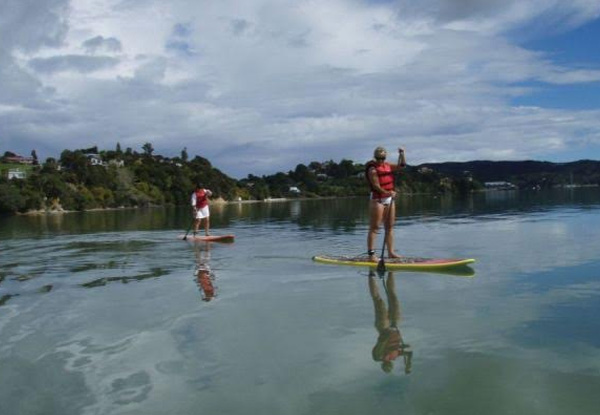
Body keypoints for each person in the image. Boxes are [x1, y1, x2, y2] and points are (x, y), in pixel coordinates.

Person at [365, 146, 406, 262]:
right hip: (378, 199)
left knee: (389, 227)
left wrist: (402, 154)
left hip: (388, 199)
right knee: (375, 228)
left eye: (383, 158)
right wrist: (389, 193)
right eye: (378, 158)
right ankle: (371, 255)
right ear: (375, 157)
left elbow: (401, 166)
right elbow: (376, 187)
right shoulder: (372, 169)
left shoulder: (387, 166)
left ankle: (391, 252)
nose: (380, 161)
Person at [369, 271, 412, 374]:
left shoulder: (378, 356)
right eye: (389, 363)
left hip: (384, 327)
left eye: (386, 363)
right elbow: (409, 352)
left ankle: (371, 273)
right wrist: (408, 365)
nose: (388, 361)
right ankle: (392, 271)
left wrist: (385, 355)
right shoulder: (395, 355)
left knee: (378, 300)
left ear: (384, 363)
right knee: (393, 295)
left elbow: (376, 353)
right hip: (395, 325)